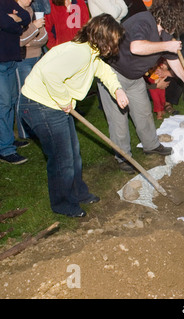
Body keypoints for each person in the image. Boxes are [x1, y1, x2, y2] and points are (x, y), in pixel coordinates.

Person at [20, 14, 129, 217]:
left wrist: (117, 90)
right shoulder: (79, 53)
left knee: (73, 154)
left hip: (54, 105)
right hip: (40, 105)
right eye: (115, 40)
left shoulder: (90, 52)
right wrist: (64, 101)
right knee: (62, 159)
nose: (116, 45)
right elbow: (49, 75)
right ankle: (63, 204)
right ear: (104, 38)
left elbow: (103, 71)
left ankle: (78, 193)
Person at [97, 0, 184, 173]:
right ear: (169, 17)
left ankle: (151, 145)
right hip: (114, 76)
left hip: (135, 77)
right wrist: (167, 45)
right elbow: (136, 47)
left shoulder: (165, 33)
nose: (175, 29)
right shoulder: (143, 21)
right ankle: (123, 156)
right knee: (119, 120)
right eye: (176, 23)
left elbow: (174, 61)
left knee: (144, 113)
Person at [0, 0, 30, 165]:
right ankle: (5, 149)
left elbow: (26, 16)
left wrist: (14, 20)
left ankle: (8, 140)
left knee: (11, 101)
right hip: (1, 61)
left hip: (10, 58)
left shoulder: (8, 2)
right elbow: (6, 23)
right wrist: (14, 23)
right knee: (3, 104)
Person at [15, 0, 48, 141]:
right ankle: (24, 131)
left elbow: (43, 37)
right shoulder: (14, 13)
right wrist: (34, 27)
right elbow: (19, 41)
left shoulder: (33, 10)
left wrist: (31, 40)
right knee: (23, 96)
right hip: (23, 60)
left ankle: (35, 127)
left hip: (37, 57)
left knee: (37, 95)